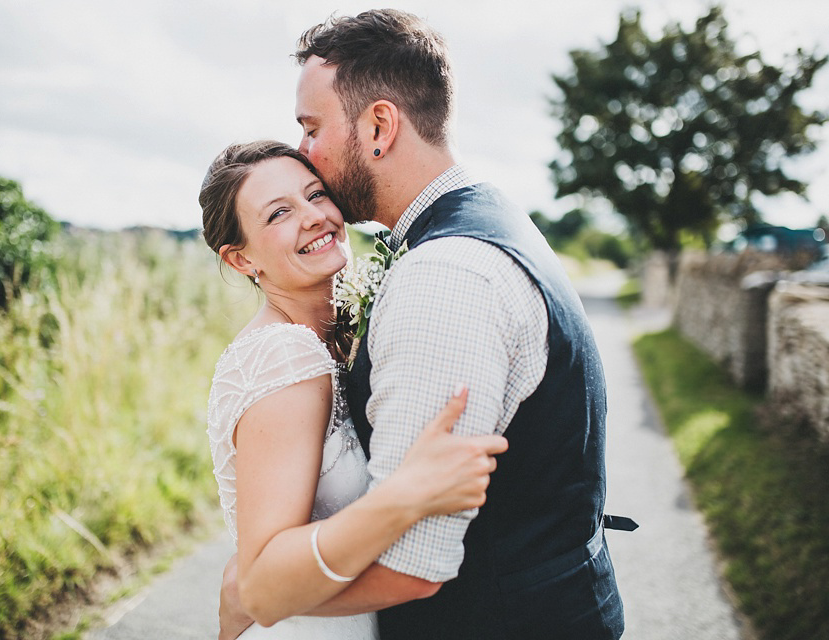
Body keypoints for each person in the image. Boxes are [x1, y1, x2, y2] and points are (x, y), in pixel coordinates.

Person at [222, 8, 634, 639]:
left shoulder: (444, 277)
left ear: (380, 126)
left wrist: (258, 596)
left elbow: (412, 568)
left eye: (311, 128)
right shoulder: (491, 216)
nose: (306, 154)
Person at [201, 139, 509, 639]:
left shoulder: (332, 336)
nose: (314, 216)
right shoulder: (286, 355)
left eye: (316, 194)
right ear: (240, 260)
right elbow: (260, 575)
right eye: (279, 213)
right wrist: (405, 496)